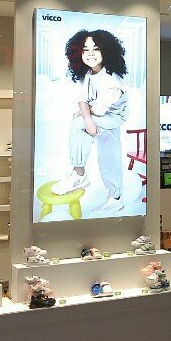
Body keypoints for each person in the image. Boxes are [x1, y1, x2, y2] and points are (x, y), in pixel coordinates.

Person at [52, 29, 129, 214]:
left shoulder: (111, 80)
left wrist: (85, 117)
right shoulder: (89, 73)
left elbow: (98, 109)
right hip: (101, 116)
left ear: (106, 51)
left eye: (96, 49)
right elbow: (81, 99)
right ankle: (115, 198)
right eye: (85, 50)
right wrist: (87, 117)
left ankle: (80, 174)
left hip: (113, 117)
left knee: (80, 125)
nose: (90, 54)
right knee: (107, 156)